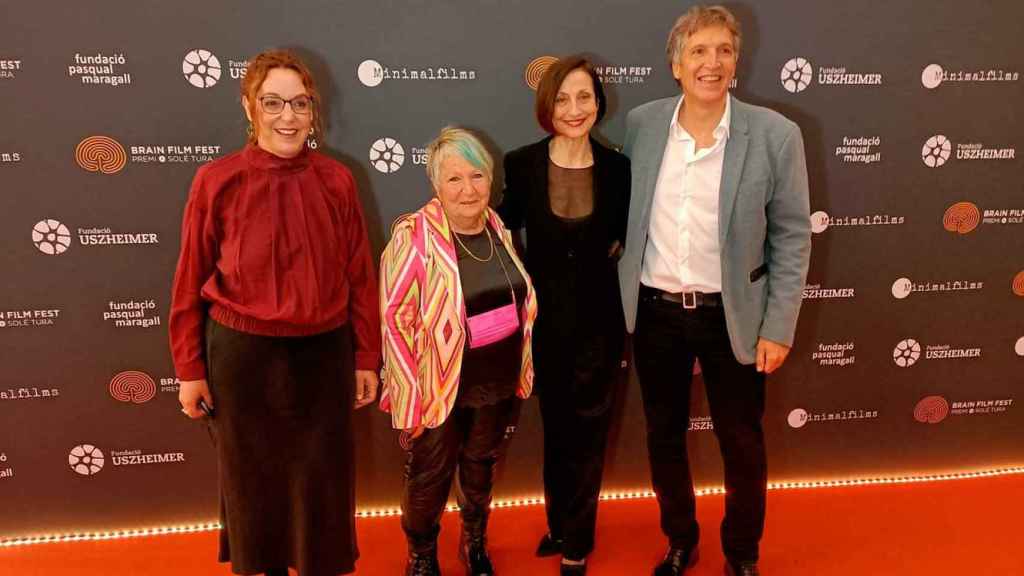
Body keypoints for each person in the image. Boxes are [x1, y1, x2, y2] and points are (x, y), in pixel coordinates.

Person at [169, 49, 380, 576]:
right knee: (250, 481)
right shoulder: (216, 181)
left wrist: (366, 356)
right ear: (249, 106)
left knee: (322, 481)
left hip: (324, 353)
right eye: (273, 103)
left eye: (300, 104)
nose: (288, 116)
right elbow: (189, 281)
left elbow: (359, 277)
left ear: (313, 111)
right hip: (242, 357)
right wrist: (190, 370)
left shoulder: (338, 181)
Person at [617, 6, 811, 576]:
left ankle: (741, 555)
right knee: (663, 437)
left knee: (743, 445)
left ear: (737, 61)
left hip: (737, 317)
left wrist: (778, 326)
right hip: (654, 312)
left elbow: (794, 235)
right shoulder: (643, 125)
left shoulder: (776, 134)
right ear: (676, 64)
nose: (712, 62)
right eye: (698, 51)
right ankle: (681, 540)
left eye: (724, 50)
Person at [379, 127, 539, 576]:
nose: (468, 189)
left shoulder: (497, 227)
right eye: (454, 179)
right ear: (435, 184)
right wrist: (409, 400)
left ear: (490, 179)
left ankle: (474, 542)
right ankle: (422, 556)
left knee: (480, 469)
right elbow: (395, 322)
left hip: (496, 380)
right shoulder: (413, 238)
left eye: (477, 175)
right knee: (429, 479)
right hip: (437, 388)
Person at [498, 55, 630, 576]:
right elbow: (501, 225)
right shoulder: (522, 163)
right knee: (557, 429)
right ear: (545, 105)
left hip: (601, 324)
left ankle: (578, 540)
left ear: (598, 102)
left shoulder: (619, 168)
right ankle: (559, 523)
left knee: (590, 433)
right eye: (562, 98)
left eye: (584, 97)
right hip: (544, 325)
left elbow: (630, 238)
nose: (574, 109)